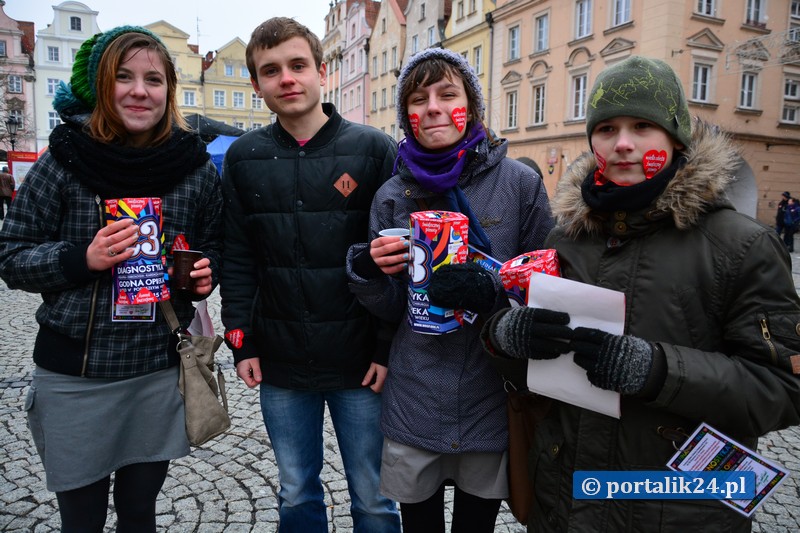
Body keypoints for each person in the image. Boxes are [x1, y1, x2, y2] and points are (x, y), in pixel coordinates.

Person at [480, 56, 800, 532]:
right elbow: (536, 371)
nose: (623, 144)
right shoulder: (566, 236)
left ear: (674, 137)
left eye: (643, 126)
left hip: (677, 507)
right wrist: (507, 336)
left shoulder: (742, 244)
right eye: (607, 128)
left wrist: (656, 370)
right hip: (566, 502)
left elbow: (783, 388)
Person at [0, 27, 222, 532]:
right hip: (75, 374)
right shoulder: (66, 158)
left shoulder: (194, 168)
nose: (139, 90)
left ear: (169, 90)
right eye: (124, 77)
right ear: (104, 85)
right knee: (81, 520)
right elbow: (11, 255)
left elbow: (217, 249)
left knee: (140, 512)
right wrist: (85, 257)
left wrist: (203, 275)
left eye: (154, 79)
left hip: (156, 370)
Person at [346, 48, 554, 532]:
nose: (433, 107)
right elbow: (393, 308)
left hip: (489, 392)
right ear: (406, 117)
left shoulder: (520, 184)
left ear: (472, 106)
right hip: (415, 396)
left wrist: (492, 293)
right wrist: (369, 272)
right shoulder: (393, 195)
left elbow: (549, 286)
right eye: (418, 99)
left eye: (447, 94)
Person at [220, 17, 401, 533]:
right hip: (281, 360)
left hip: (360, 361)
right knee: (296, 489)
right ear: (257, 85)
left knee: (373, 495)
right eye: (271, 71)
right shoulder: (244, 156)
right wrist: (242, 342)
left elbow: (398, 262)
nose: (287, 79)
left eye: (298, 65)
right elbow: (238, 257)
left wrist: (387, 347)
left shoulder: (373, 150)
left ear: (322, 71)